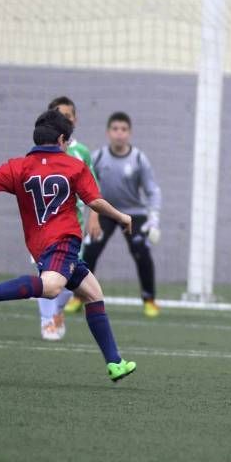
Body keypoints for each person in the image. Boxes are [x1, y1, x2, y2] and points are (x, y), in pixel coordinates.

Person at [0, 109, 137, 382]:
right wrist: (122, 216)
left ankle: (114, 362)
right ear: (63, 140)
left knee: (93, 293)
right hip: (63, 240)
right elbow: (94, 202)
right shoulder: (75, 166)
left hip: (39, 245)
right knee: (52, 288)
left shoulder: (19, 166)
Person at [66, 112, 162, 318]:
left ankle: (150, 300)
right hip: (105, 211)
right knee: (89, 251)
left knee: (142, 253)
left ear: (130, 133)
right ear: (108, 132)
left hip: (134, 214)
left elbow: (152, 190)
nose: (119, 134)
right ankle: (78, 296)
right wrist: (90, 211)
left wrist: (153, 217)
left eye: (124, 130)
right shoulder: (98, 157)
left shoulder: (138, 158)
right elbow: (86, 185)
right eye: (115, 129)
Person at [36, 96, 98, 341]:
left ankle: (57, 310)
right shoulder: (40, 153)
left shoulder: (81, 153)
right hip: (42, 225)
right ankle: (46, 321)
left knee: (67, 276)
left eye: (68, 116)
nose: (64, 120)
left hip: (74, 225)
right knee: (46, 274)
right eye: (58, 116)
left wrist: (94, 217)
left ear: (75, 119)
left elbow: (93, 188)